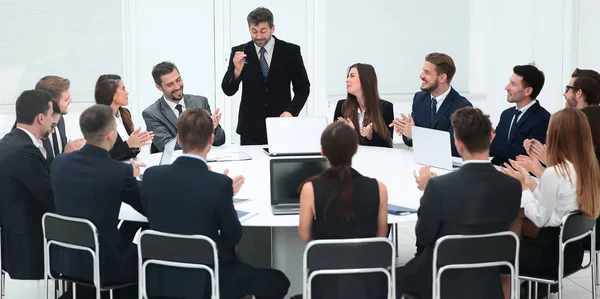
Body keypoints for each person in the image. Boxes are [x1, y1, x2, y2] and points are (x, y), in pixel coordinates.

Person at [141, 108, 290, 299]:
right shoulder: (219, 185)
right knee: (278, 280)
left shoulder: (151, 177)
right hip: (209, 279)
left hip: (160, 278)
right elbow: (233, 237)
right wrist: (226, 196)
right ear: (211, 139)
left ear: (178, 139)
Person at [396, 107, 521, 299]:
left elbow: (423, 236)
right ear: (490, 137)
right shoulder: (513, 186)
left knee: (389, 279)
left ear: (458, 143)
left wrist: (426, 192)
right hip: (487, 280)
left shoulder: (438, 187)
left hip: (442, 278)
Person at [502, 108, 600, 298]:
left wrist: (523, 187)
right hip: (572, 254)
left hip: (551, 258)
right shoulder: (587, 167)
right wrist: (529, 182)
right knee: (518, 222)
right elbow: (558, 204)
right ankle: (521, 288)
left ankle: (511, 287)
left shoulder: (554, 172)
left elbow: (540, 218)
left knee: (497, 251)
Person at [50, 104, 146, 298]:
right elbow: (146, 206)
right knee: (149, 255)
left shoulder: (59, 162)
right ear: (111, 135)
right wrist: (135, 178)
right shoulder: (119, 172)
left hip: (64, 256)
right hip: (103, 260)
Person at [297, 121, 389, 298]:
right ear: (356, 149)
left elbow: (305, 235)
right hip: (369, 282)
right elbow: (381, 235)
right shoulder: (379, 188)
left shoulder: (310, 189)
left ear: (322, 151)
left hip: (325, 282)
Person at [221, 6, 310, 145]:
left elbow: (303, 88)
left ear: (272, 28)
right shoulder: (239, 52)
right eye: (254, 31)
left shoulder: (290, 51)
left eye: (263, 31)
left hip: (281, 125)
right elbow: (228, 90)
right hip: (250, 129)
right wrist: (237, 71)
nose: (258, 36)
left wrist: (291, 112)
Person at [0, 90, 56, 280]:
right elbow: (48, 196)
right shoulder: (25, 150)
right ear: (40, 117)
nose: (52, 122)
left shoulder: (7, 141)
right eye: (50, 116)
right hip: (30, 240)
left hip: (11, 235)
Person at [391, 53, 472, 156]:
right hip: (421, 163)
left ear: (442, 78)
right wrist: (407, 131)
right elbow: (410, 142)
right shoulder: (419, 99)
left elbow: (453, 146)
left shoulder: (463, 107)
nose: (421, 76)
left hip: (448, 166)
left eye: (427, 72)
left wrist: (415, 135)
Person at [143, 61, 225, 153]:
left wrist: (213, 128)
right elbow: (167, 146)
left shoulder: (200, 102)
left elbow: (219, 141)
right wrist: (201, 135)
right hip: (172, 164)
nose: (177, 87)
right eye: (170, 84)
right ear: (159, 87)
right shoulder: (152, 113)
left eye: (178, 80)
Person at [489, 64, 550, 166]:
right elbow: (495, 149)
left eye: (513, 84)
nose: (506, 87)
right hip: (497, 171)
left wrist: (493, 141)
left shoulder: (543, 118)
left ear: (528, 91)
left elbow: (524, 155)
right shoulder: (506, 114)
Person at [333, 63, 394, 148]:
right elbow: (334, 142)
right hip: (350, 159)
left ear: (365, 80)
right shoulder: (342, 106)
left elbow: (387, 144)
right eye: (348, 76)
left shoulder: (385, 107)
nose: (347, 80)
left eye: (352, 76)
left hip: (376, 159)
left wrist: (370, 135)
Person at [95, 74, 154, 160]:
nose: (127, 92)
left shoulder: (125, 113)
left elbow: (130, 152)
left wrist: (138, 142)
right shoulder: (98, 121)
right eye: (123, 89)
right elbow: (101, 157)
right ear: (113, 95)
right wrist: (128, 144)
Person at [35, 75, 86, 161]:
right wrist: (65, 156)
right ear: (52, 105)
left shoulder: (59, 118)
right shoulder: (35, 130)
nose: (71, 101)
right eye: (66, 100)